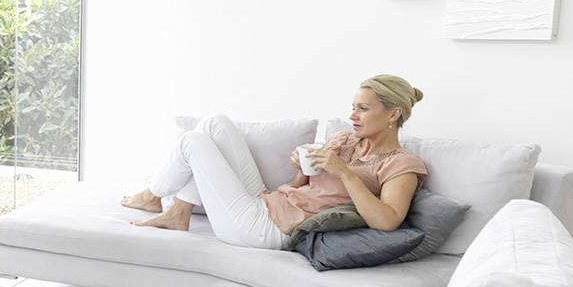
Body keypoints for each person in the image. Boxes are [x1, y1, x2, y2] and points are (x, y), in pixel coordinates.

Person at [119, 75, 429, 249]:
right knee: (215, 123)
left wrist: (345, 173)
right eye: (353, 107)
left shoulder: (402, 164)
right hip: (269, 202)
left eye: (363, 109)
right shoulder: (344, 140)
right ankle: (179, 212)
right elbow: (303, 190)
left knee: (192, 142)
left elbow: (388, 221)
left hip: (268, 229)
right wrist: (301, 170)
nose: (352, 116)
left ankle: (153, 196)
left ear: (393, 114)